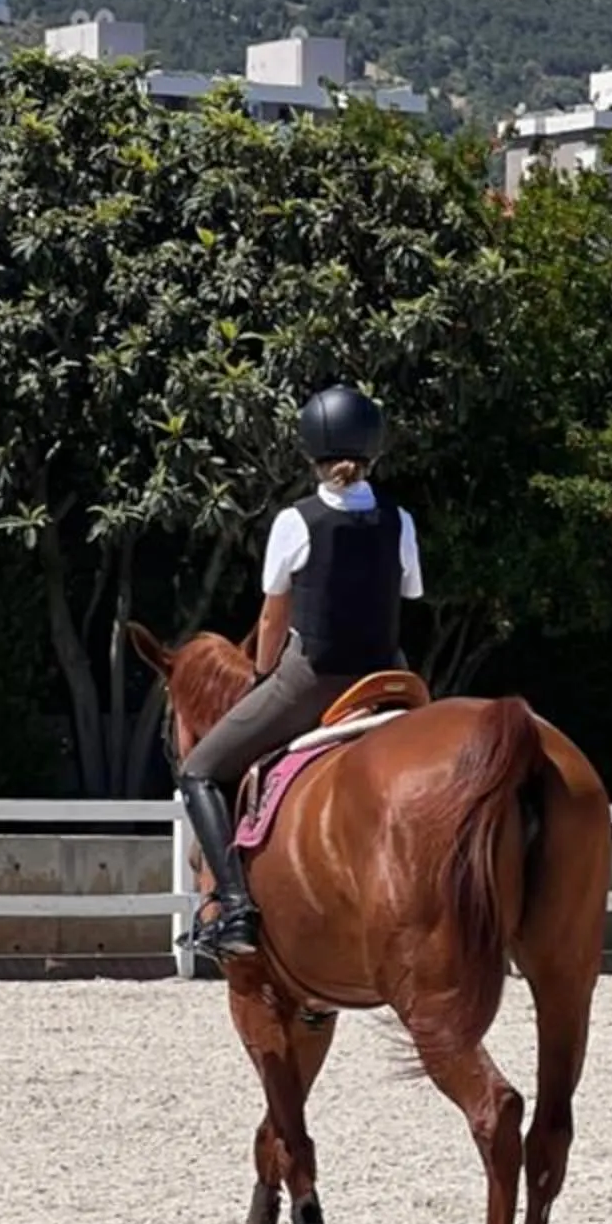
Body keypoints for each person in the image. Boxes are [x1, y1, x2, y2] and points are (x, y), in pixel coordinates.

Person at [175, 385, 423, 968]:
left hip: (314, 676)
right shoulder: (400, 520)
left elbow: (273, 613)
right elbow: (407, 592)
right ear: (373, 450)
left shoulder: (296, 520)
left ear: (309, 448)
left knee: (200, 771)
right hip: (388, 676)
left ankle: (233, 906)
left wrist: (263, 677)